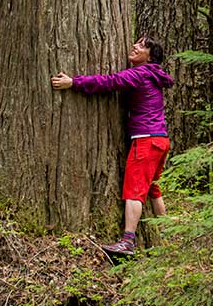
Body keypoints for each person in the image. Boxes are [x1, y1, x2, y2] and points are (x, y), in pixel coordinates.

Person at [50, 35, 173, 256]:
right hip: (160, 140)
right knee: (152, 188)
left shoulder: (140, 74)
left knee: (134, 191)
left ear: (150, 57)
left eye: (143, 46)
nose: (135, 46)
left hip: (146, 140)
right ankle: (168, 237)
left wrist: (73, 82)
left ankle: (127, 242)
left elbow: (109, 82)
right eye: (136, 42)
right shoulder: (153, 75)